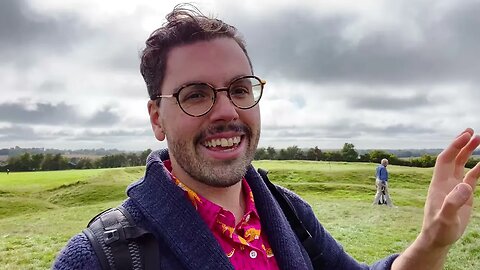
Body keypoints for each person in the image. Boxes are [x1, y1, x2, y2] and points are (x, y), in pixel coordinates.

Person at [53, 4, 480, 270]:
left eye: (240, 89)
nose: (227, 111)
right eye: (195, 94)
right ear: (157, 119)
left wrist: (432, 242)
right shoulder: (98, 260)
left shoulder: (289, 213)